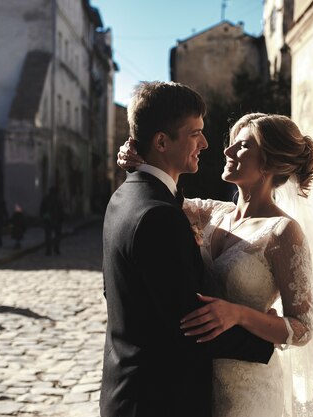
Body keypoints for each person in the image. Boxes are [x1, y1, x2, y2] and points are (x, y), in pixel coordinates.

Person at [118, 112, 313, 417]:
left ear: (267, 162)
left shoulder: (283, 232)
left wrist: (238, 314)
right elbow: (158, 196)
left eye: (241, 146)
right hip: (196, 378)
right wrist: (138, 159)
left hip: (248, 385)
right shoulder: (213, 213)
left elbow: (302, 329)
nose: (226, 151)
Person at [100, 81, 274, 417]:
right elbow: (191, 326)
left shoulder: (124, 196)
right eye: (195, 133)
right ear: (162, 141)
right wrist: (266, 339)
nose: (206, 144)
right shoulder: (158, 216)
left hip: (128, 388)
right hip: (160, 400)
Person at [40, 187, 63, 255]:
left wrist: (44, 218)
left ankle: (48, 250)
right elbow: (61, 210)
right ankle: (56, 248)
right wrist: (61, 218)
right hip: (57, 220)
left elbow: (42, 210)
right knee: (58, 235)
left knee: (48, 235)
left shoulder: (46, 199)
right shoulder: (58, 199)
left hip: (48, 219)